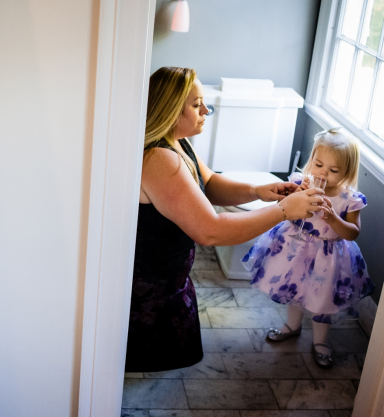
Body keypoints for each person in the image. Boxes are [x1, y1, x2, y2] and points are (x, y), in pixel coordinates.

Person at [126, 66, 327, 373]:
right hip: (152, 286)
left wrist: (261, 190)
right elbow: (212, 232)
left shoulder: (177, 142)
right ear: (169, 109)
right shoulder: (159, 159)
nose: (206, 110)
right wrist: (285, 211)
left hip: (170, 278)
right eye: (196, 105)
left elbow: (209, 183)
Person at [242, 128, 374, 368]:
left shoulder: (350, 198)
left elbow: (353, 233)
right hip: (294, 249)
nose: (323, 173)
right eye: (318, 164)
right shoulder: (298, 182)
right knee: (295, 290)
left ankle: (320, 341)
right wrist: (295, 196)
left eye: (333, 171)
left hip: (327, 256)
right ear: (311, 159)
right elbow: (281, 208)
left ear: (347, 172)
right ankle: (292, 327)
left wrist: (333, 218)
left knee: (322, 299)